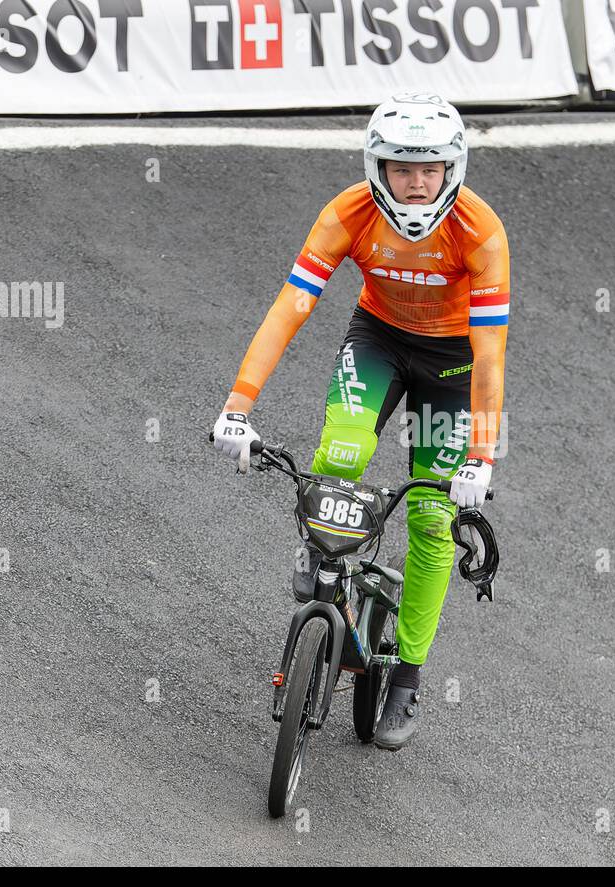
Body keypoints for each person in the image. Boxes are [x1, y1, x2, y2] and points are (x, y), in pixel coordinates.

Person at [212, 92, 508, 750]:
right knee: (340, 457)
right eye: (403, 169)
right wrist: (239, 405)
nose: (417, 182)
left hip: (452, 369)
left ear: (452, 169)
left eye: (431, 169)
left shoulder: (480, 231)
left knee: (433, 517)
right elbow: (291, 306)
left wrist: (479, 456)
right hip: (376, 339)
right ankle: (324, 563)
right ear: (377, 167)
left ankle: (406, 676)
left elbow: (489, 353)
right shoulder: (348, 211)